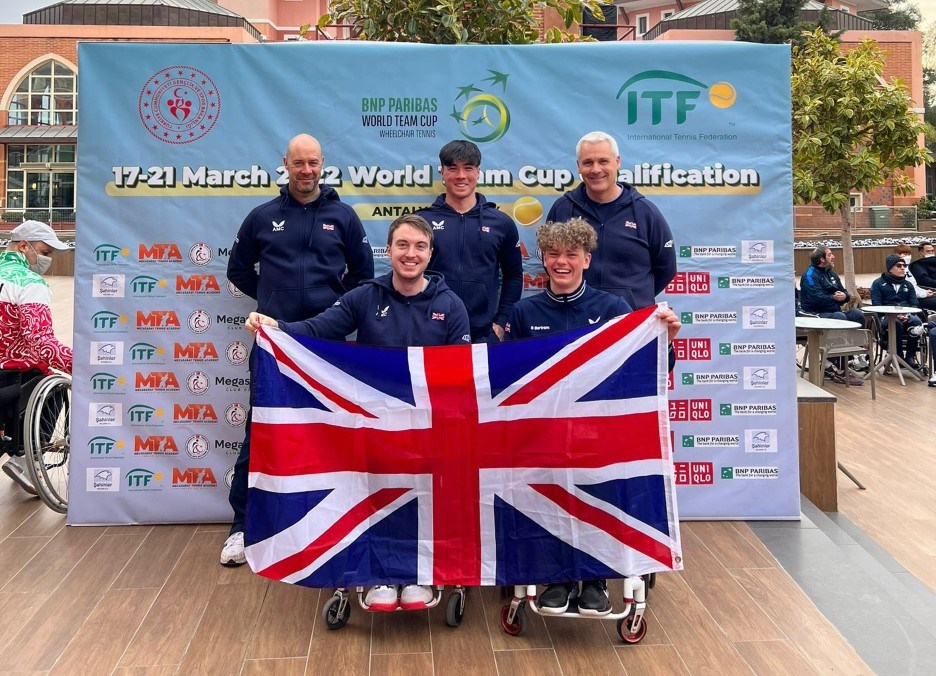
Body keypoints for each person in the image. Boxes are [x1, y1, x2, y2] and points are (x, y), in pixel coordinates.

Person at [247, 214, 469, 610]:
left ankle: (419, 571)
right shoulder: (365, 296)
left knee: (424, 495)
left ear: (430, 253)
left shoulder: (450, 305)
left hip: (431, 427)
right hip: (375, 424)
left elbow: (462, 372)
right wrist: (276, 326)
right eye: (402, 245)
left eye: (419, 246)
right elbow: (319, 329)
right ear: (390, 250)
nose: (410, 254)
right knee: (378, 494)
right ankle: (380, 573)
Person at [504, 217, 680, 616]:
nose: (561, 262)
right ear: (543, 260)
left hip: (595, 434)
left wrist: (666, 341)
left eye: (571, 254)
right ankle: (558, 576)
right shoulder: (523, 311)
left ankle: (595, 578)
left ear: (586, 258)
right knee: (547, 499)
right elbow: (506, 382)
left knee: (595, 497)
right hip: (542, 435)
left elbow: (642, 367)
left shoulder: (612, 307)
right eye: (552, 254)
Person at [221, 134, 374, 567]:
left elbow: (363, 276)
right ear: (284, 164)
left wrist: (335, 311)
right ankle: (241, 527)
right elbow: (238, 270)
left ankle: (335, 519)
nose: (306, 171)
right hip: (276, 341)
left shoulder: (343, 216)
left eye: (313, 163)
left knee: (334, 428)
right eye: (298, 163)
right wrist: (272, 302)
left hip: (328, 343)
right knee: (262, 429)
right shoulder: (262, 216)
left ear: (323, 164)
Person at [546, 131, 677, 310]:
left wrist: (631, 297)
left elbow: (666, 268)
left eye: (603, 161)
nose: (595, 169)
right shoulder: (563, 209)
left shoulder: (645, 212)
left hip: (630, 322)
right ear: (578, 166)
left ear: (617, 162)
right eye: (588, 162)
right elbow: (550, 260)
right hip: (575, 321)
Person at [415, 140, 522, 342]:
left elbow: (514, 276)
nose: (461, 176)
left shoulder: (501, 223)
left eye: (468, 168)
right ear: (442, 173)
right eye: (453, 168)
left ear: (478, 172)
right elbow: (407, 274)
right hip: (429, 331)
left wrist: (502, 321)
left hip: (483, 334)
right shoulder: (422, 222)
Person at [0, 221, 72, 495]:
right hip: (11, 377)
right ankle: (26, 462)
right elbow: (42, 344)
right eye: (45, 252)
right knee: (51, 381)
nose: (47, 260)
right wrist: (81, 366)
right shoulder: (30, 283)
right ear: (23, 246)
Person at [799, 247, 864, 385]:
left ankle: (852, 358)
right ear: (822, 259)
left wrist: (844, 296)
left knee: (857, 315)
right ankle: (835, 367)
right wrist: (835, 298)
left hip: (833, 312)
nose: (833, 257)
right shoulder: (809, 276)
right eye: (830, 255)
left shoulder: (832, 274)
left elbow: (845, 293)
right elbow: (816, 299)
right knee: (840, 318)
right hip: (815, 315)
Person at [869, 253, 935, 373]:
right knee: (896, 323)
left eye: (904, 266)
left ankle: (910, 356)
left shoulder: (908, 285)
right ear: (890, 268)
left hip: (907, 315)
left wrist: (907, 315)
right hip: (886, 317)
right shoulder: (878, 284)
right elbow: (877, 305)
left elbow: (915, 304)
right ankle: (897, 355)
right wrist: (894, 315)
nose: (903, 268)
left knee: (916, 321)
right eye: (899, 266)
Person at [894, 243, 936, 311]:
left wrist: (925, 292)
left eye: (909, 254)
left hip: (919, 295)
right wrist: (924, 293)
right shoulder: (896, 271)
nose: (907, 256)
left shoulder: (907, 269)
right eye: (904, 254)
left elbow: (914, 286)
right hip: (909, 301)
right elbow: (905, 291)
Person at [909, 241, 936, 312]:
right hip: (930, 291)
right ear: (921, 253)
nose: (931, 253)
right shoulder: (917, 265)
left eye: (932, 251)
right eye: (928, 251)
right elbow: (924, 280)